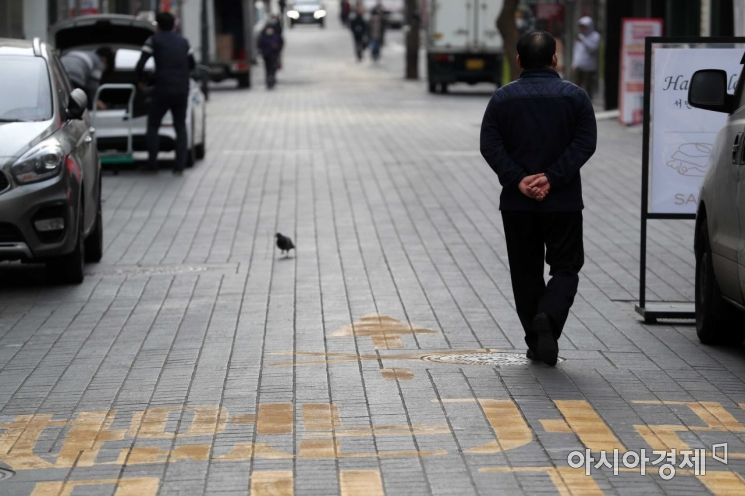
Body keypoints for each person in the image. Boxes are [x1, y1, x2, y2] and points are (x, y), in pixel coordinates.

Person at [479, 31, 597, 366]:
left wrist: (518, 180)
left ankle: (536, 339)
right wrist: (553, 176)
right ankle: (548, 316)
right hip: (563, 202)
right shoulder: (575, 98)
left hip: (517, 205)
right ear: (554, 58)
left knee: (524, 271)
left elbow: (490, 145)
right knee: (566, 267)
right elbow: (585, 143)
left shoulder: (502, 100)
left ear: (518, 60)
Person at [135, 12, 195, 174]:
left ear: (158, 25)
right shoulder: (184, 42)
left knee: (153, 125)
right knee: (180, 126)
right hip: (182, 89)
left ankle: (152, 164)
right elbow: (192, 64)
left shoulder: (153, 40)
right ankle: (179, 166)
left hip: (162, 89)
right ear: (174, 25)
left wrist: (141, 81)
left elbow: (140, 63)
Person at [571, 16, 600, 99]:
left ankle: (588, 102)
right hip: (579, 66)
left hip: (590, 67)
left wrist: (583, 40)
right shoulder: (580, 36)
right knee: (577, 85)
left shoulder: (595, 36)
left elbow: (592, 49)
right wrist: (574, 63)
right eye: (581, 26)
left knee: (589, 86)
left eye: (584, 26)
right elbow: (576, 50)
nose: (582, 28)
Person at [258, 23, 284, 89]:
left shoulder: (276, 36)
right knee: (267, 68)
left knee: (273, 68)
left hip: (274, 55)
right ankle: (268, 80)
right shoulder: (263, 36)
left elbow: (281, 43)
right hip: (266, 55)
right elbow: (259, 44)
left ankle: (272, 79)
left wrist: (277, 49)